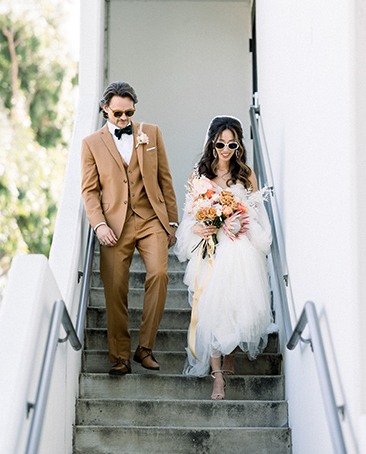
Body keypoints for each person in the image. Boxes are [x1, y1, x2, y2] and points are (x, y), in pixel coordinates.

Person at [81, 81, 178, 375]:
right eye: (118, 113)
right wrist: (98, 225)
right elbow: (89, 191)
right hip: (113, 225)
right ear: (105, 109)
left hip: (151, 219)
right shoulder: (90, 144)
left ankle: (145, 348)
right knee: (114, 289)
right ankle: (120, 356)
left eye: (129, 113)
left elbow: (165, 179)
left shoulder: (152, 133)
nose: (124, 119)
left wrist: (172, 221)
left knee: (160, 274)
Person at [174, 115, 274, 399]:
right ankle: (218, 377)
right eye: (220, 144)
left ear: (239, 145)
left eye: (232, 144)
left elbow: (256, 212)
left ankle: (230, 353)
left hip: (240, 249)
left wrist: (239, 221)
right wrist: (202, 226)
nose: (226, 149)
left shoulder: (246, 174)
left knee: (236, 306)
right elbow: (189, 219)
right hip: (211, 251)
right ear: (212, 144)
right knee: (213, 309)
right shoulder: (200, 175)